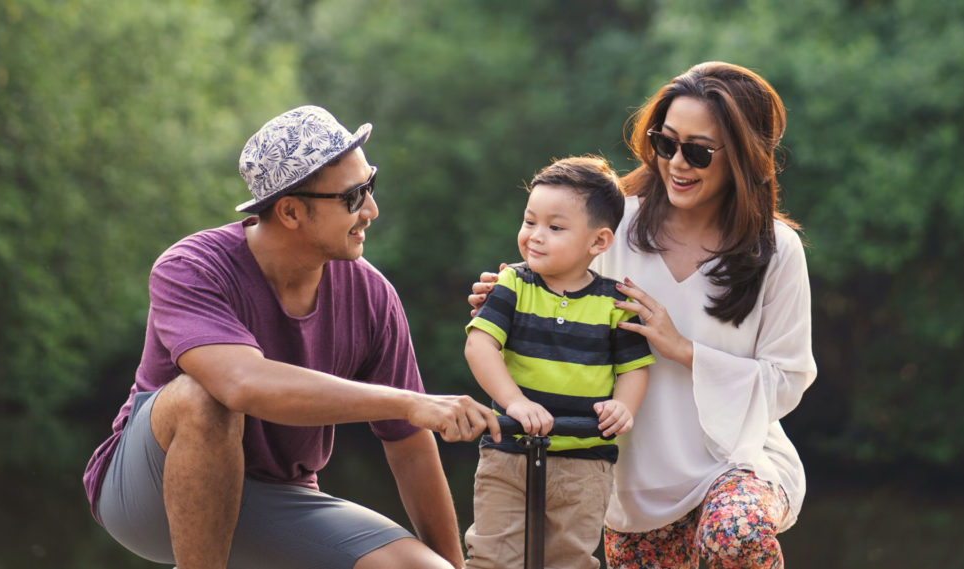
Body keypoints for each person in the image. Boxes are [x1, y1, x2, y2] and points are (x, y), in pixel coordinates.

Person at [83, 105, 501, 569]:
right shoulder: (192, 268)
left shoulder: (372, 295)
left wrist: (452, 564)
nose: (372, 209)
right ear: (290, 211)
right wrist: (406, 401)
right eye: (352, 197)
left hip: (277, 497)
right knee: (205, 397)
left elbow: (410, 446)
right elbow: (241, 383)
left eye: (371, 185)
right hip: (148, 492)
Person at [469, 62, 817, 569]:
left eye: (698, 151)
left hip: (737, 464)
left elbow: (788, 381)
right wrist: (506, 301)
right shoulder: (615, 225)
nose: (677, 162)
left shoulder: (776, 250)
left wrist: (682, 349)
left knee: (735, 534)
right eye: (666, 142)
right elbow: (547, 289)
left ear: (743, 157)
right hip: (628, 487)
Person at [463, 155, 655, 569]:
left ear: (599, 242)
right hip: (508, 451)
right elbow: (480, 347)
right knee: (492, 557)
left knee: (569, 559)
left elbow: (634, 369)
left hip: (583, 462)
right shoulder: (512, 284)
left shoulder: (615, 303)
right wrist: (515, 403)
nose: (535, 236)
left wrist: (623, 406)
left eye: (555, 227)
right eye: (530, 221)